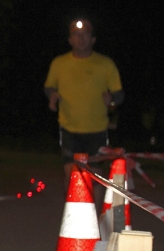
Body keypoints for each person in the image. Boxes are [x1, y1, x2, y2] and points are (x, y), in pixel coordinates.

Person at [44, 18, 124, 186]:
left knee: (95, 178)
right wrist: (52, 95)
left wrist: (111, 99)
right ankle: (71, 204)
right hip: (69, 129)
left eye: (85, 35)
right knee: (72, 175)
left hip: (97, 130)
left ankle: (95, 204)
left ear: (93, 39)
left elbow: (119, 95)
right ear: (70, 40)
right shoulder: (59, 63)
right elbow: (49, 86)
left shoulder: (105, 64)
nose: (80, 39)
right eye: (76, 35)